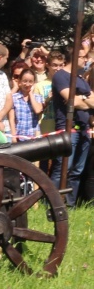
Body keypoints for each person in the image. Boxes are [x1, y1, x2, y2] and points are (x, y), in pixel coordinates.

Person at [50, 47, 94, 207]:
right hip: (68, 130)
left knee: (77, 171)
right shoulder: (60, 76)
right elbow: (72, 101)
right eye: (83, 57)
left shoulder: (81, 79)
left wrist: (81, 98)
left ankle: (70, 206)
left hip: (84, 130)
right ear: (75, 58)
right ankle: (52, 204)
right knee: (61, 169)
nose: (86, 60)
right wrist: (84, 98)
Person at [8, 68, 43, 142]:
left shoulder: (37, 97)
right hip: (19, 136)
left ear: (34, 83)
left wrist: (31, 94)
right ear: (20, 82)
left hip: (34, 136)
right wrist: (13, 136)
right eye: (25, 81)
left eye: (30, 81)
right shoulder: (14, 98)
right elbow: (12, 119)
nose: (27, 84)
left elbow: (37, 110)